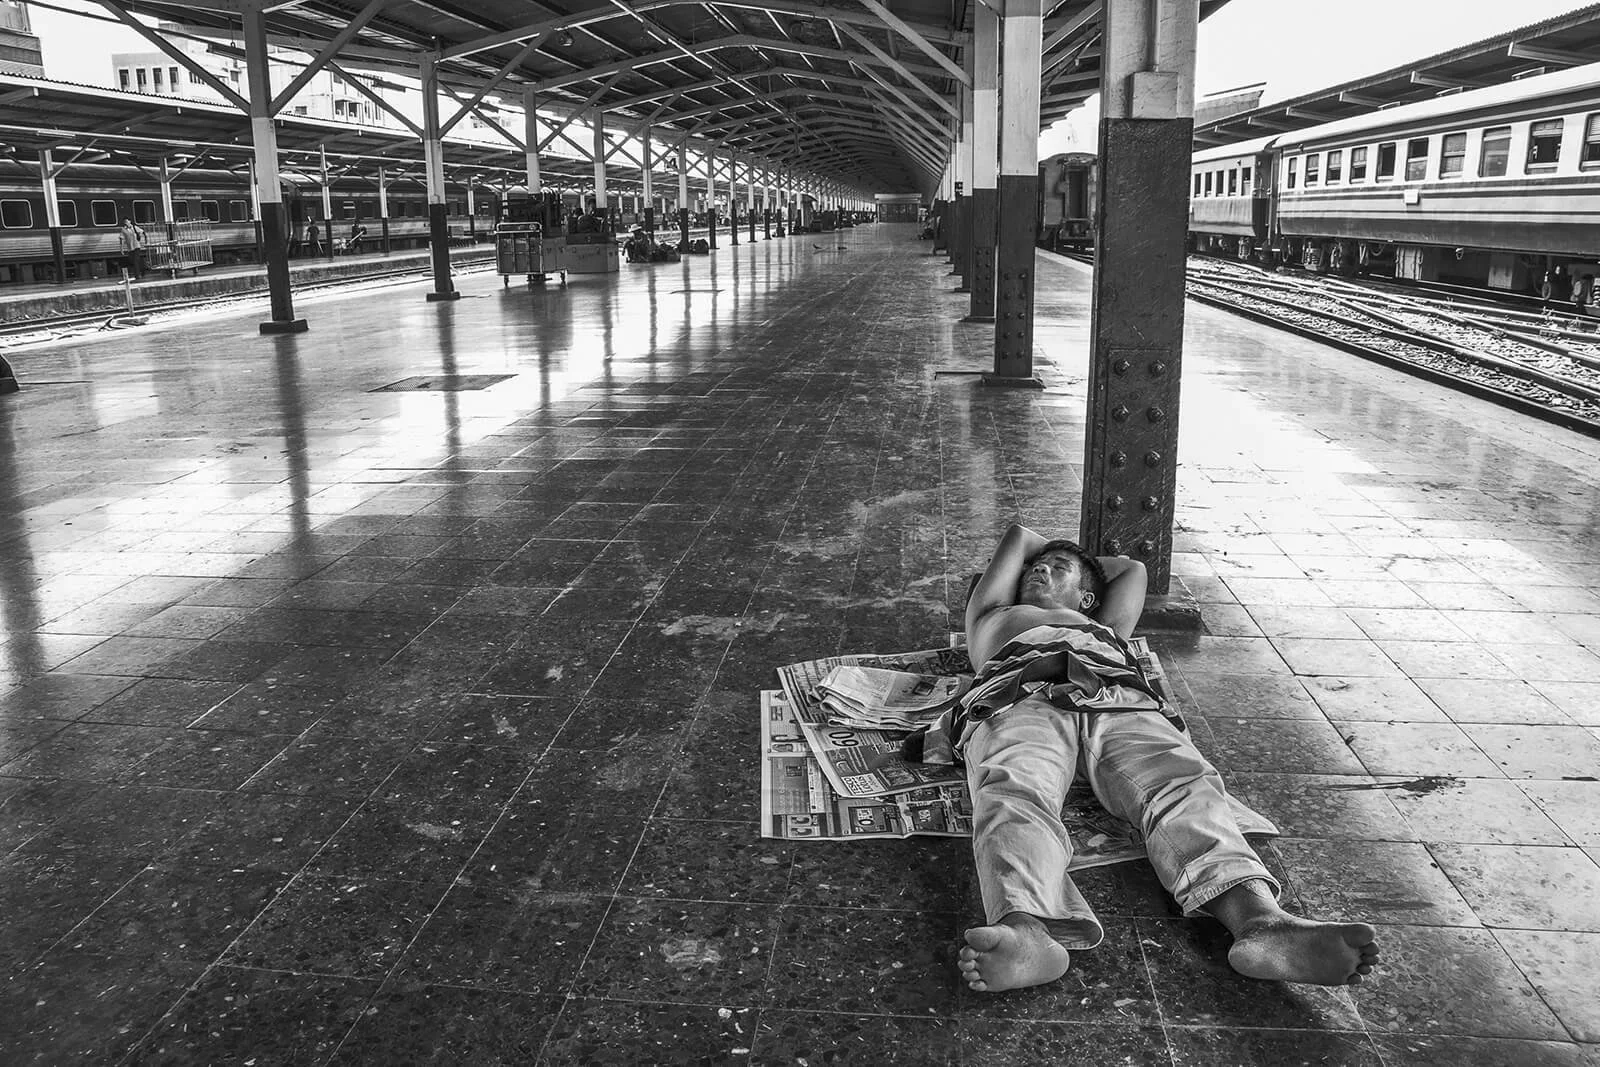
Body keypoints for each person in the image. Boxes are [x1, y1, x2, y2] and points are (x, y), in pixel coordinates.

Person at [906, 524, 1380, 993]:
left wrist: (1075, 563)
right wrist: (1059, 561)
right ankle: (1026, 929)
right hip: (1016, 697)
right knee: (1013, 790)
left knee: (1180, 783)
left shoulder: (1105, 626)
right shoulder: (993, 613)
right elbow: (1017, 535)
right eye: (1033, 567)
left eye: (1057, 568)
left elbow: (1131, 569)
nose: (1038, 569)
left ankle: (1261, 922)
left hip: (1116, 694)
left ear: (1089, 598)